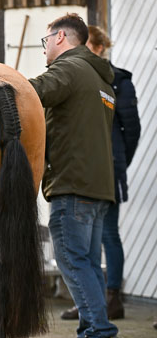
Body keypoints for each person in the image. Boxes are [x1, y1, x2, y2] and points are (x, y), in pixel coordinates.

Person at [29, 12, 127, 338]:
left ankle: (102, 335)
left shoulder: (69, 69)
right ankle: (90, 335)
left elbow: (32, 93)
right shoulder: (100, 78)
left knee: (71, 258)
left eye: (45, 42)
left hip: (75, 183)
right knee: (88, 263)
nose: (44, 51)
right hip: (98, 185)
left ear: (59, 38)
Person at [61, 25, 140, 321]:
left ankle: (112, 298)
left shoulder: (119, 81)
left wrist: (119, 163)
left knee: (108, 235)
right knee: (84, 239)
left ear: (97, 47)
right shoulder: (76, 77)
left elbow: (132, 130)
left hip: (109, 168)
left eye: (84, 45)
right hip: (84, 170)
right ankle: (88, 302)